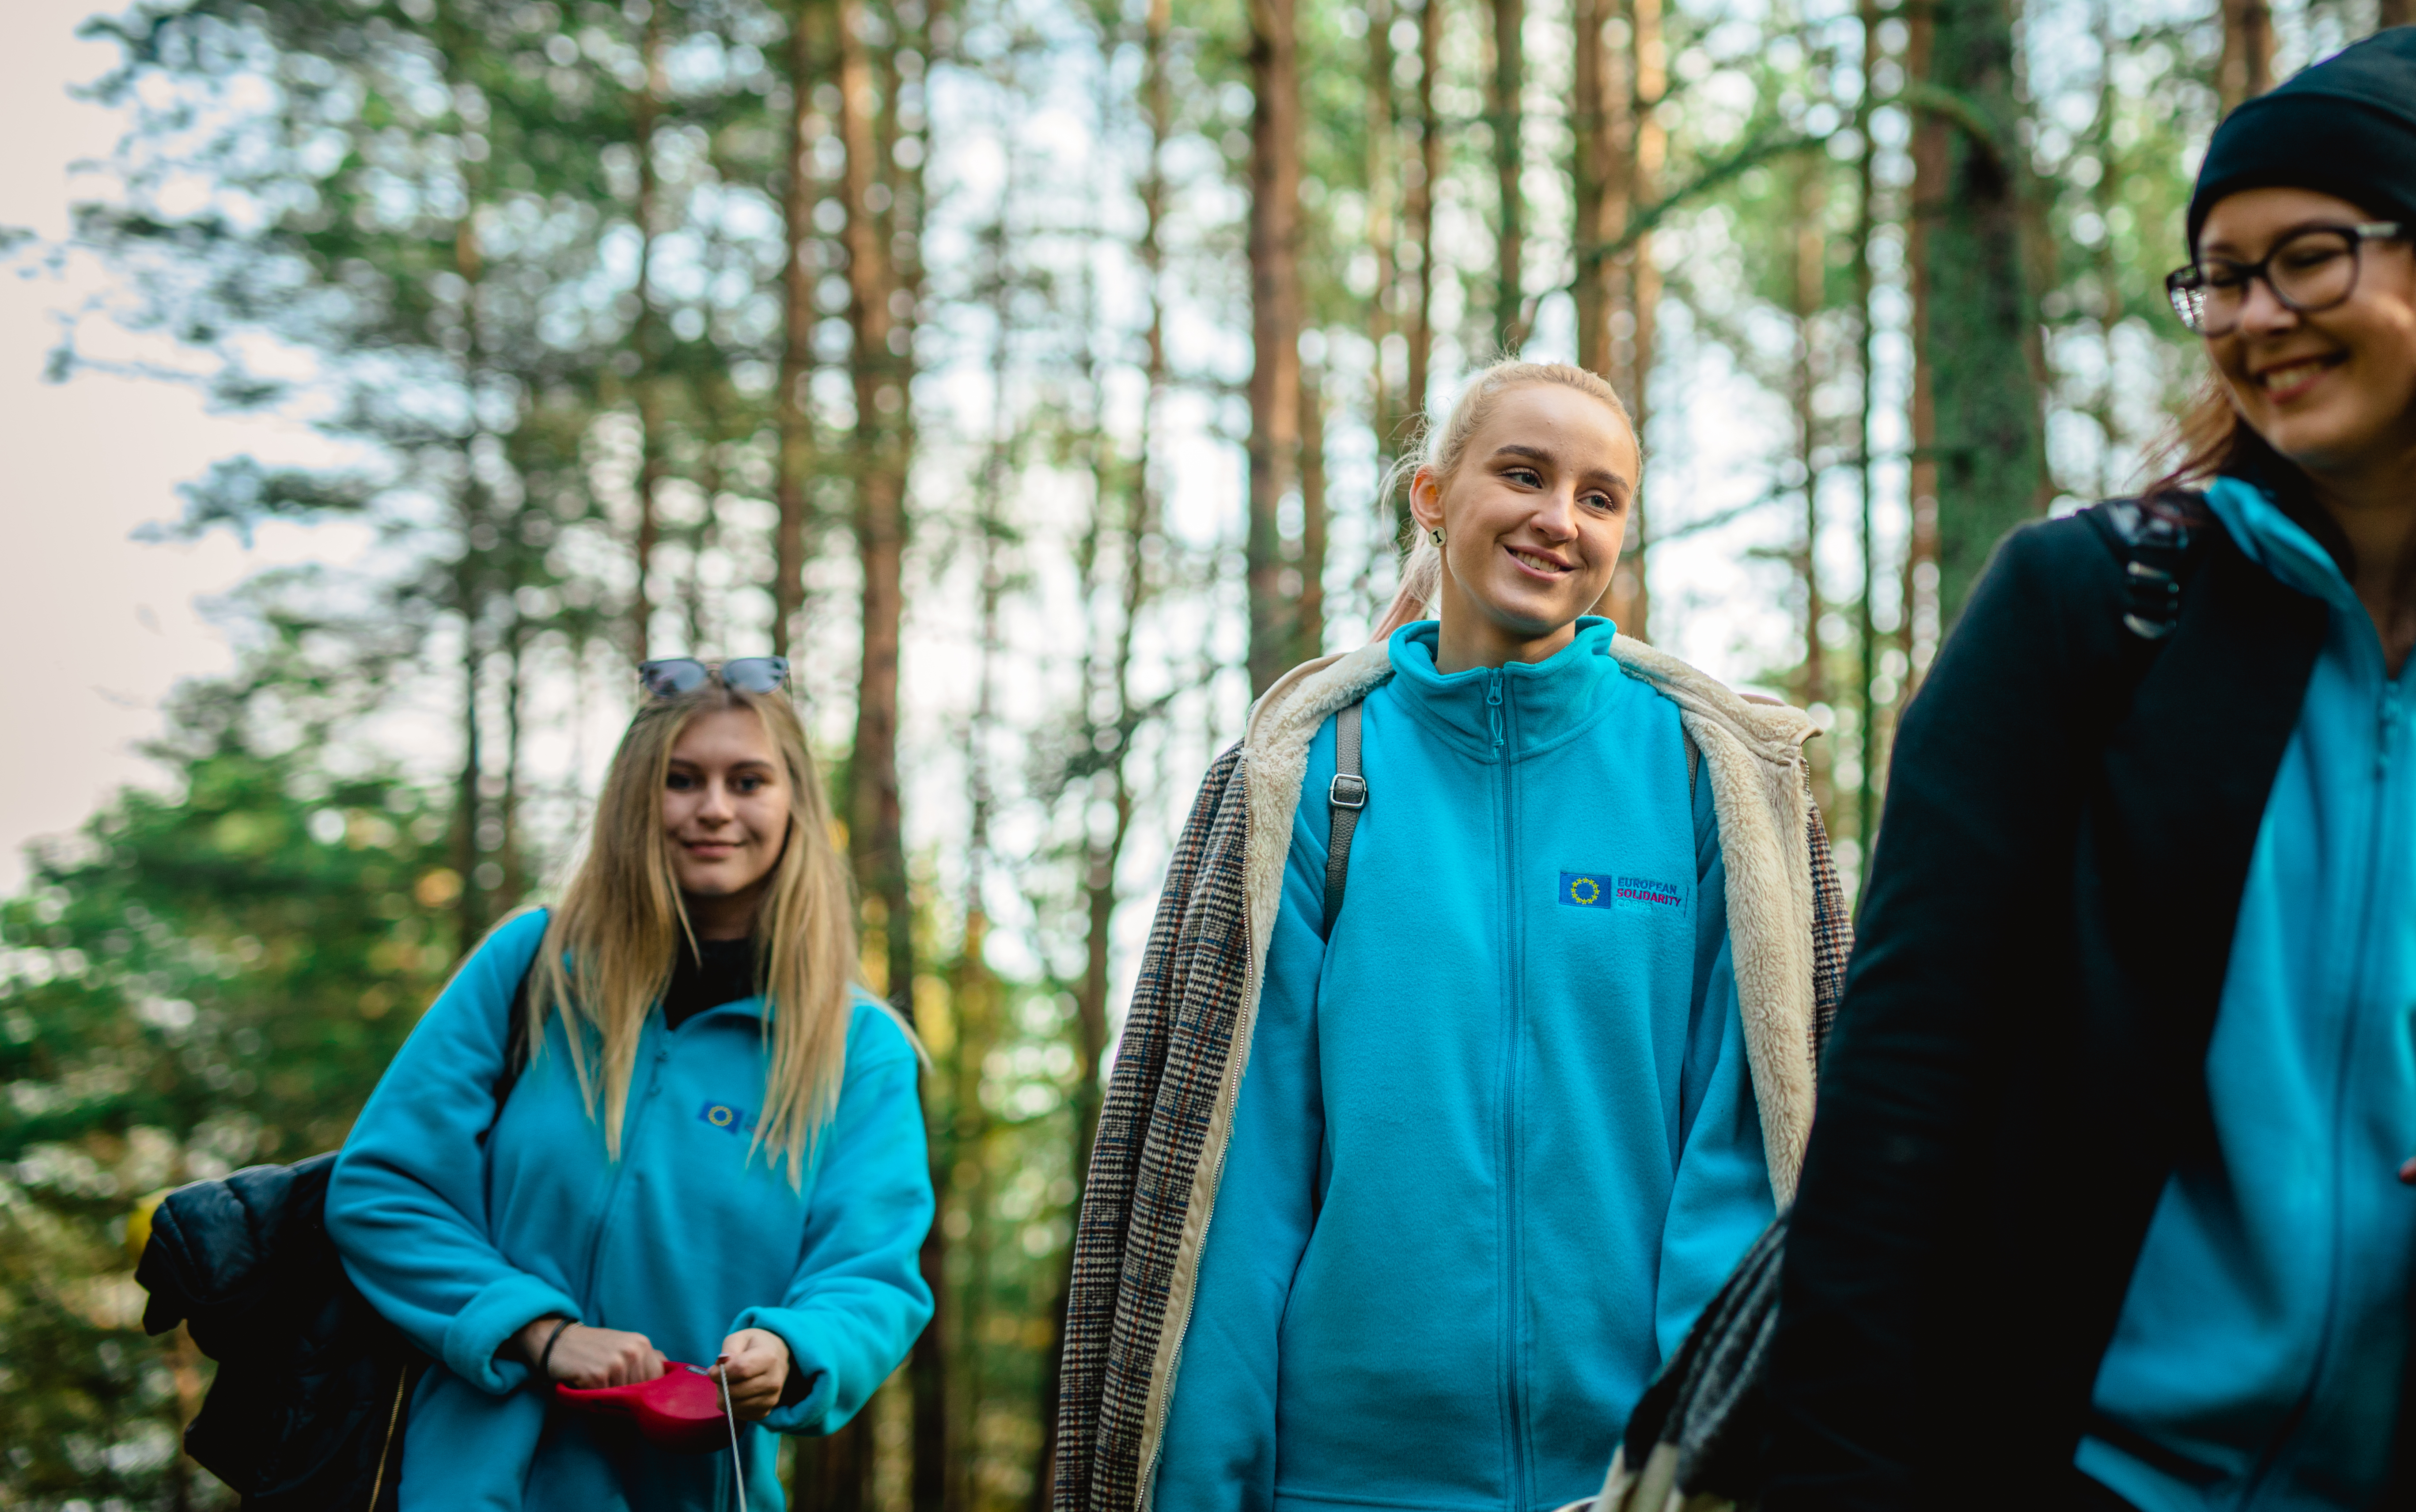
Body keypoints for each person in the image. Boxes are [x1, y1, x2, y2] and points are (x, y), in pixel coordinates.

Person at [1761, 0, 2416, 1512]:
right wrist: (1841, 1471)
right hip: (2072, 1470)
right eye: (2223, 276)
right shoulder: (2093, 608)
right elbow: (1905, 1074)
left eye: (2310, 257)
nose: (2256, 316)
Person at [1049, 360, 1854, 1512]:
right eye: (1522, 475)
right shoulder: (1313, 773)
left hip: (1628, 1482)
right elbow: (1240, 1171)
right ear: (1433, 496)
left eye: (1598, 496)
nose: (1556, 520)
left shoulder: (1705, 774)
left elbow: (1739, 1148)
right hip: (1347, 1480)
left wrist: (1686, 1462)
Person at [327, 658, 933, 1510]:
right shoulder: (532, 968)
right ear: (635, 801)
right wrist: (539, 1333)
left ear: (793, 801)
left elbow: (870, 1275)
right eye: (681, 781)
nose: (714, 809)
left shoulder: (858, 1049)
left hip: (690, 1490)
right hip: (467, 1483)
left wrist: (794, 1350)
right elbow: (386, 1190)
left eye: (747, 781)